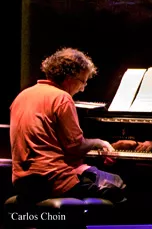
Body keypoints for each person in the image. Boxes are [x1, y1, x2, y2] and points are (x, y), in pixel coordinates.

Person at [9, 48, 125, 203]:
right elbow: (75, 147)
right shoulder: (62, 98)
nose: (82, 88)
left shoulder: (22, 96)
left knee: (93, 175)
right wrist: (98, 142)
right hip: (53, 182)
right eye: (83, 81)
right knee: (118, 185)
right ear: (69, 77)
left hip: (23, 183)